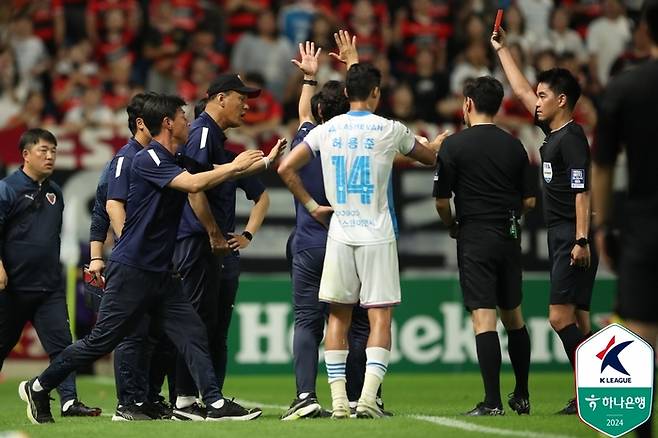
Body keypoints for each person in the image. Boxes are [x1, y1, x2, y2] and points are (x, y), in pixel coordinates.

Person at [18, 94, 266, 424]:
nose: (187, 123)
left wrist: (258, 164)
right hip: (132, 268)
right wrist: (237, 167)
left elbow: (208, 171)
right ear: (167, 123)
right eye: (182, 117)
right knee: (100, 341)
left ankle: (215, 403)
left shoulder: (173, 157)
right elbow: (194, 183)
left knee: (193, 331)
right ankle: (39, 386)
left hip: (161, 271)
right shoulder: (146, 160)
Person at [278, 62, 445, 419]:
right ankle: (368, 400)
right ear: (375, 93)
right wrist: (436, 146)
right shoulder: (388, 128)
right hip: (376, 234)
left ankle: (338, 402)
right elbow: (429, 159)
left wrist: (311, 206)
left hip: (339, 231)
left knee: (336, 318)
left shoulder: (327, 129)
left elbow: (284, 168)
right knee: (378, 317)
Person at [492, 27, 599, 415]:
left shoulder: (571, 139)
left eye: (543, 96)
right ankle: (590, 394)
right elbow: (521, 92)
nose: (535, 101)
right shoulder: (554, 132)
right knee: (582, 325)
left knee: (559, 317)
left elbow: (582, 190)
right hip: (568, 234)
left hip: (572, 235)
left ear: (562, 100)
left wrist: (582, 239)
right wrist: (503, 50)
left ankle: (595, 388)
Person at [172, 74, 285, 421]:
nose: (247, 104)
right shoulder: (202, 133)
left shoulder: (220, 143)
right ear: (221, 98)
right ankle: (188, 400)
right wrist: (213, 233)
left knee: (214, 326)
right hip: (199, 243)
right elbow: (194, 187)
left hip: (217, 246)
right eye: (242, 97)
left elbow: (256, 193)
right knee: (196, 323)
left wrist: (246, 235)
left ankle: (206, 399)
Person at [434, 76, 536, 416]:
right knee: (515, 318)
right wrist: (508, 216)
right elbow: (531, 201)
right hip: (508, 236)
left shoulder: (454, 146)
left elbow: (440, 201)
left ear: (467, 104)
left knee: (484, 320)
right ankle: (521, 393)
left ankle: (492, 401)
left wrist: (452, 225)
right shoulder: (515, 145)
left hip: (474, 237)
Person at [0, 128, 101, 419]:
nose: (50, 156)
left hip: (49, 287)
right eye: (43, 150)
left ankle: (69, 402)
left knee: (63, 349)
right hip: (14, 288)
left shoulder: (56, 192)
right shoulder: (7, 189)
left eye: (54, 151)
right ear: (25, 154)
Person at [592, 2, 658, 437]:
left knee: (640, 325)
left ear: (645, 30)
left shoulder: (626, 87)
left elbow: (602, 163)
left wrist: (602, 226)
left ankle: (642, 428)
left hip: (645, 218)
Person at [87, 92, 174, 421]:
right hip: (135, 260)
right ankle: (130, 401)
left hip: (152, 262)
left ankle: (148, 397)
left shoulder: (158, 157)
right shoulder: (125, 159)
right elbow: (104, 207)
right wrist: (106, 252)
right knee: (131, 333)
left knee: (156, 334)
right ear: (142, 123)